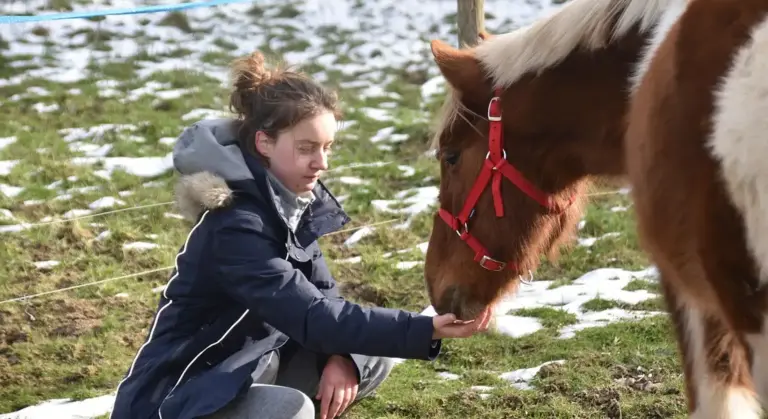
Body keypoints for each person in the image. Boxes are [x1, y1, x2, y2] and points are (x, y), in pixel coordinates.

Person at [108, 50, 492, 419]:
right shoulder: (237, 226)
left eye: (327, 147)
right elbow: (312, 316)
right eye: (307, 148)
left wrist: (341, 358)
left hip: (251, 370)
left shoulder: (290, 207)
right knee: (291, 411)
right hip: (177, 399)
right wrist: (423, 328)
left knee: (369, 357)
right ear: (265, 143)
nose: (321, 163)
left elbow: (326, 300)